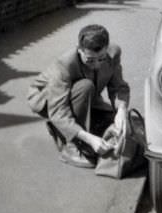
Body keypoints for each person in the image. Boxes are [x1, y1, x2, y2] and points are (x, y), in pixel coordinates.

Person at [27, 24, 130, 169]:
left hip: (85, 97)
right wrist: (89, 139)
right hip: (49, 101)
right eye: (90, 60)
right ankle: (71, 146)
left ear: (107, 48)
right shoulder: (63, 65)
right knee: (85, 86)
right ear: (79, 49)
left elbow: (118, 87)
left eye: (101, 58)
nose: (96, 65)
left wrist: (121, 111)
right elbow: (58, 111)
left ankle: (76, 127)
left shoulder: (114, 53)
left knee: (121, 123)